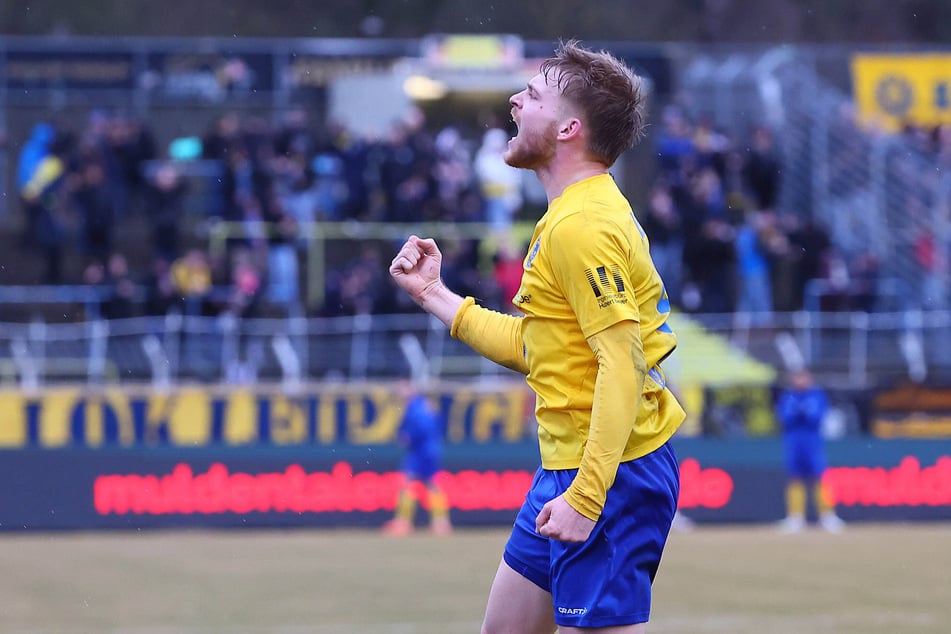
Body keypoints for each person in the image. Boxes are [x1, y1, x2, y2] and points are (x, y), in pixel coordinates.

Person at [389, 40, 685, 634]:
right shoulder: (569, 216)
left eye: (534, 94)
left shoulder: (581, 226)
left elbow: (621, 366)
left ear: (570, 126)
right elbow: (539, 348)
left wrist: (588, 494)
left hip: (610, 471)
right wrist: (434, 295)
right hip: (571, 465)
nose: (514, 100)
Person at [775, 368, 845, 534]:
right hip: (794, 441)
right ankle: (795, 517)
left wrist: (800, 413)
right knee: (795, 478)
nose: (800, 381)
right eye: (797, 378)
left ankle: (827, 516)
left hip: (812, 441)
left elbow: (817, 416)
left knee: (820, 478)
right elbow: (784, 417)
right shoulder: (788, 395)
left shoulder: (817, 395)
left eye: (803, 378)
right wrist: (801, 413)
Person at [382, 381, 452, 537]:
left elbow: (422, 428)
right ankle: (440, 522)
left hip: (421, 452)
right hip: (431, 451)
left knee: (409, 484)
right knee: (432, 486)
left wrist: (408, 437)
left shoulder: (416, 407)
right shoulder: (424, 405)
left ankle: (403, 522)